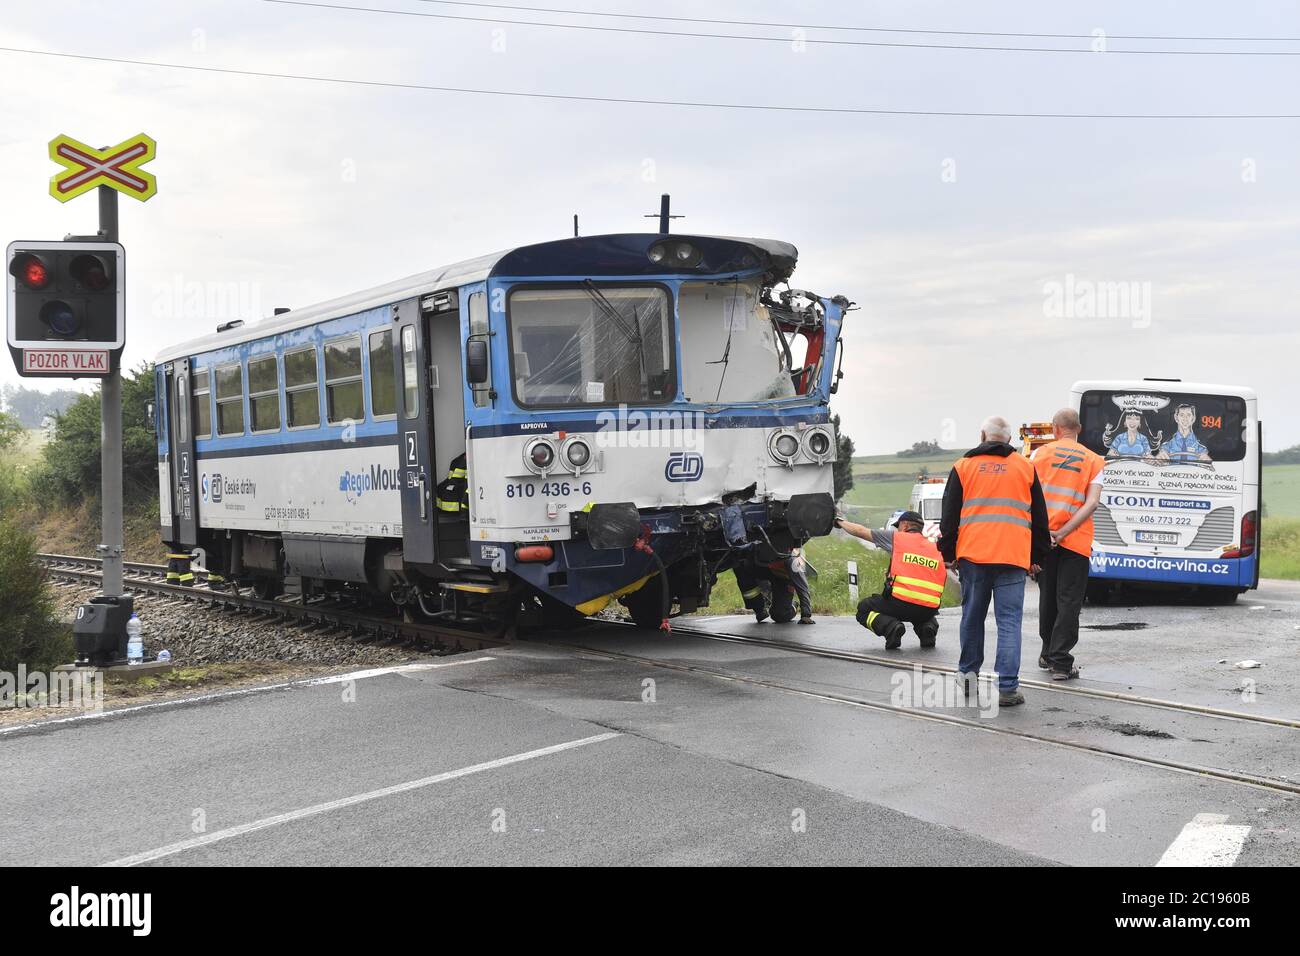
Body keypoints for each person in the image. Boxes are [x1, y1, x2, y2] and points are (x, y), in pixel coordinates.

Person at [938, 416, 1050, 707]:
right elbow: (1040, 518)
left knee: (972, 618)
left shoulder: (963, 467)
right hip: (1012, 558)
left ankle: (967, 678)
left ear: (982, 435)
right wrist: (1036, 557)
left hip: (974, 557)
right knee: (1009, 622)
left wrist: (947, 552)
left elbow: (949, 517)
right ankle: (1008, 689)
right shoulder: (1025, 467)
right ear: (1009, 440)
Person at [1031, 408, 1106, 681]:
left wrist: (1046, 534)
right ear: (1079, 429)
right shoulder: (1094, 460)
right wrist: (1064, 532)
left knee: (1047, 598)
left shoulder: (1039, 455)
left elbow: (1029, 497)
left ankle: (1046, 652)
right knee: (1069, 601)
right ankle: (1060, 662)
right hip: (1075, 540)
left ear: (1055, 428)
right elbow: (1092, 503)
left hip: (1044, 539)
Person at [837, 510, 945, 649]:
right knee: (922, 612)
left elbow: (860, 531)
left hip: (900, 604)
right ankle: (927, 629)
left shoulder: (896, 538)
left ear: (905, 525)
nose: (897, 530)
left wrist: (839, 521)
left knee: (864, 609)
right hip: (929, 609)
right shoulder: (935, 548)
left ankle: (891, 628)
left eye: (898, 526)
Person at [733, 548, 814, 624]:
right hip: (763, 569)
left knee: (779, 615)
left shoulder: (793, 559)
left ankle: (791, 606)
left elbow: (802, 586)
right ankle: (759, 609)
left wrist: (806, 615)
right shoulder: (754, 550)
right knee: (739, 565)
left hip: (782, 579)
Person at [434, 452, 469, 516]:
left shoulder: (466, 460)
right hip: (457, 488)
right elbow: (450, 480)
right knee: (439, 488)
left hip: (461, 496)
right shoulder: (457, 461)